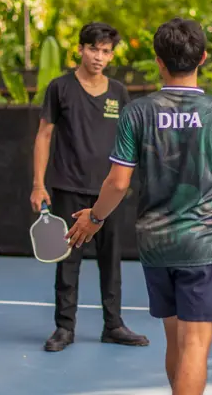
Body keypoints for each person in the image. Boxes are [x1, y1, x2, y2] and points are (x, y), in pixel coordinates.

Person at [67, 18, 212, 395]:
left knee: (176, 341)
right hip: (205, 246)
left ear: (158, 61)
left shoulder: (136, 112)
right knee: (195, 346)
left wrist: (94, 218)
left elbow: (117, 182)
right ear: (203, 59)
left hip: (155, 244)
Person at [31, 22, 149, 352]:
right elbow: (43, 135)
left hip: (109, 193)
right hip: (68, 187)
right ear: (81, 49)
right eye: (94, 49)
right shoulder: (59, 88)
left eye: (106, 51)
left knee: (111, 260)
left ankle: (113, 325)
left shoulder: (118, 92)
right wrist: (38, 184)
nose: (99, 56)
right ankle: (64, 328)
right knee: (68, 261)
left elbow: (129, 143)